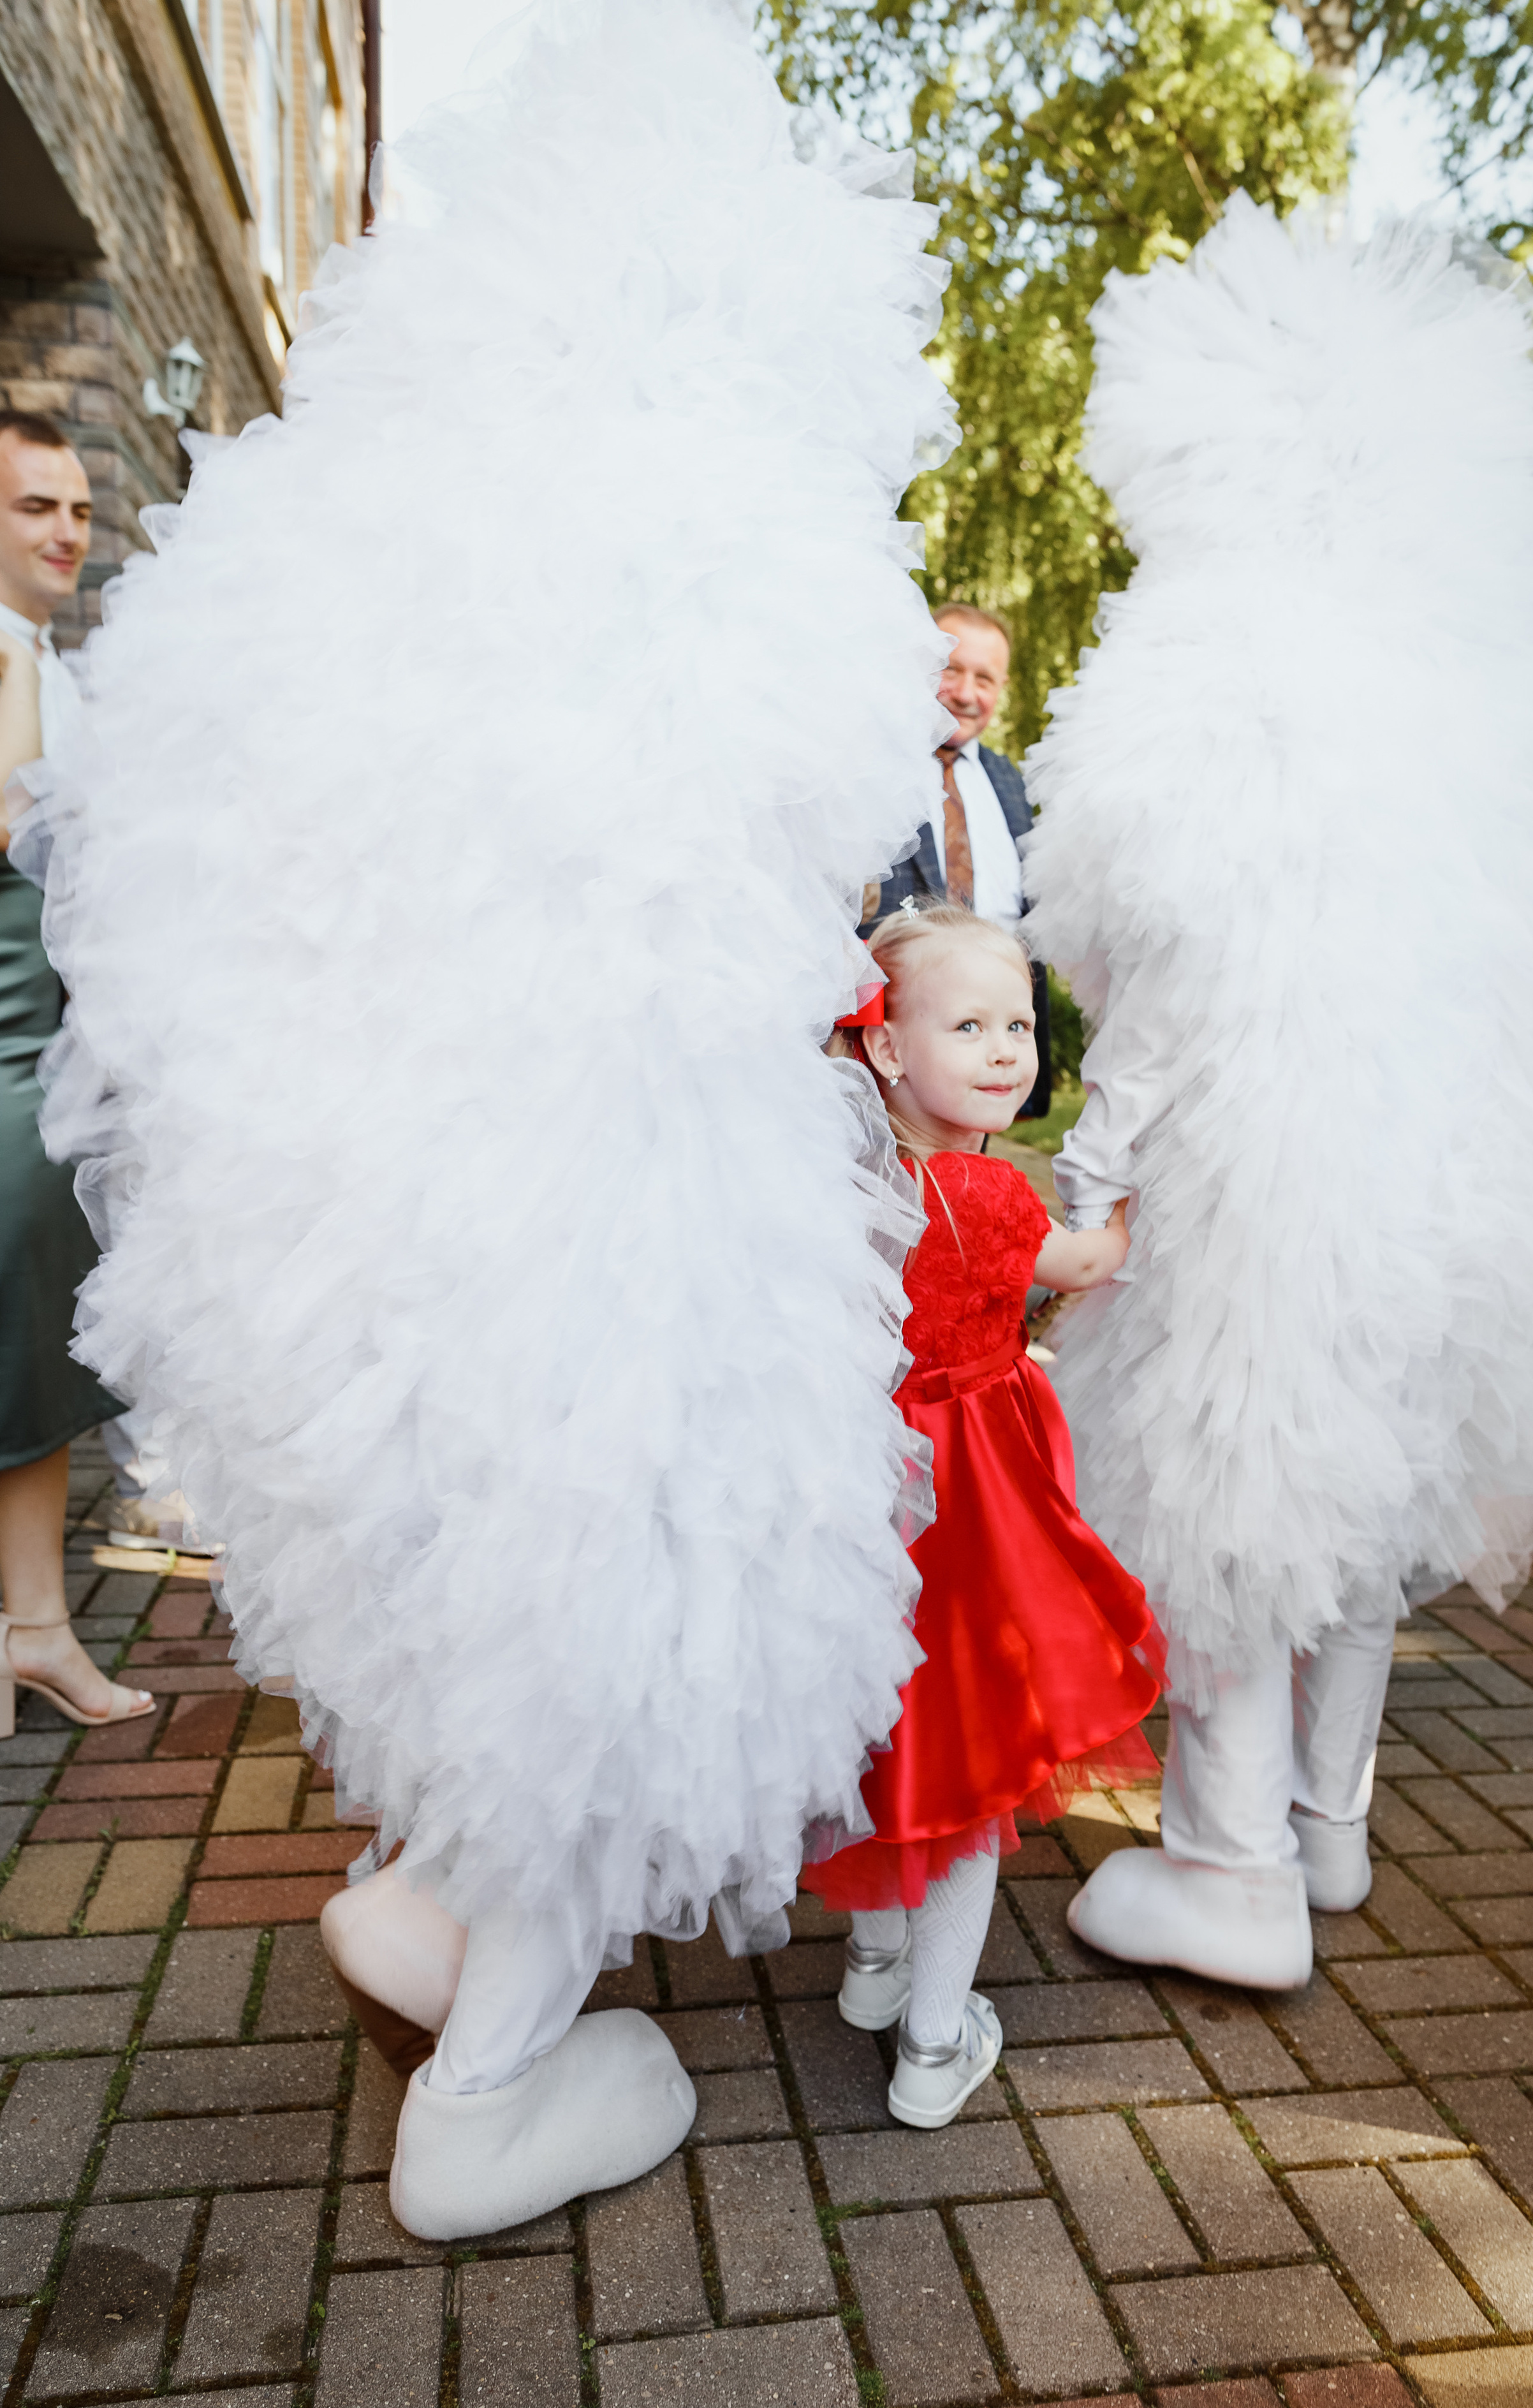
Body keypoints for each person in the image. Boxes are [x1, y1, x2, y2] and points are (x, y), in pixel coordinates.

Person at [20, 0, 960, 2238]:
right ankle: (497, 2081)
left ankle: (429, 1914)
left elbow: (214, 850)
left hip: (413, 1187)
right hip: (638, 1187)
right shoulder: (729, 547)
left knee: (497, 1584)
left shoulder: (389, 528)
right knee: (622, 1599)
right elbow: (829, 843)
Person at [1023, 196, 1533, 1991]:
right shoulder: (1483, 700)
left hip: (1258, 1179)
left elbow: (1160, 992)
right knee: (1359, 1499)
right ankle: (1329, 1828)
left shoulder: (1222, 677)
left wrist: (1086, 1192)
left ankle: (1225, 1869)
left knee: (1233, 1510)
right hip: (1449, 1179)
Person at [802, 902, 1161, 2124]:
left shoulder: (844, 1189)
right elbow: (1082, 1266)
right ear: (889, 1049)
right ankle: (935, 2043)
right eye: (971, 1025)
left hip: (864, 1485)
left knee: (886, 1735)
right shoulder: (990, 1198)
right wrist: (1118, 1219)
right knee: (970, 1759)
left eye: (1020, 1024)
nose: (1010, 1050)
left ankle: (871, 1965)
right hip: (972, 1499)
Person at [0, 407, 151, 1733]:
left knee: (30, 1373)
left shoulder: (52, 663)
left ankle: (33, 1629)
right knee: (22, 1365)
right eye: (31, 506)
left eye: (78, 511)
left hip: (44, 1060)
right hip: (9, 1064)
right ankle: (33, 1631)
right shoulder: (3, 669)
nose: (63, 531)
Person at [869, 604, 1051, 1116]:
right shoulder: (871, 773)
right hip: (895, 1050)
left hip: (993, 1047)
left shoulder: (1012, 782)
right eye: (951, 670)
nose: (967, 694)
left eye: (985, 679)